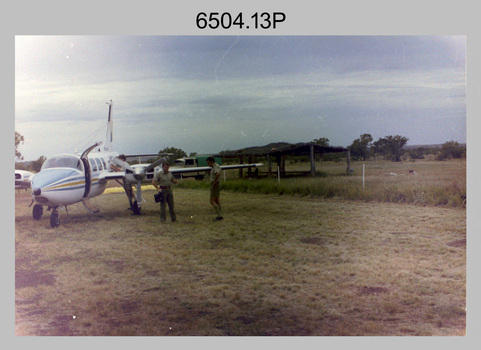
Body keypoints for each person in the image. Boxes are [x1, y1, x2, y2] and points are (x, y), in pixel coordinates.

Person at [207, 156, 223, 221]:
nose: (208, 164)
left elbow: (217, 173)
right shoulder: (216, 166)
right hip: (217, 184)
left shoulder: (215, 167)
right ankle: (219, 213)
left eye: (208, 163)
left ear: (212, 162)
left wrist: (214, 182)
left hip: (215, 185)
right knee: (216, 200)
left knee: (212, 201)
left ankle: (219, 215)